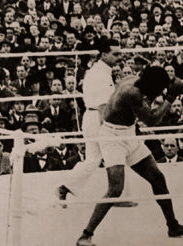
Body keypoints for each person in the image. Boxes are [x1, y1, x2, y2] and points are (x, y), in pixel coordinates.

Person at [76, 66, 183, 246]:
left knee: (158, 178)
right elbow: (152, 119)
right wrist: (171, 97)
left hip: (128, 133)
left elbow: (145, 104)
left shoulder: (136, 81)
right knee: (115, 189)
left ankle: (173, 226)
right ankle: (85, 235)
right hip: (112, 138)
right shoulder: (131, 92)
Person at [55, 37, 137, 207]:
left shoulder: (102, 71)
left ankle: (64, 188)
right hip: (98, 118)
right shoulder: (100, 74)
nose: (119, 57)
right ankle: (116, 196)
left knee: (94, 160)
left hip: (94, 117)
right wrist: (107, 128)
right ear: (104, 54)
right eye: (115, 54)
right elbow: (102, 106)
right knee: (111, 155)